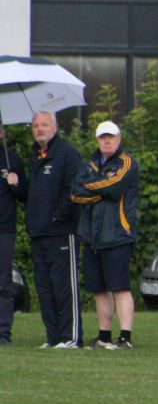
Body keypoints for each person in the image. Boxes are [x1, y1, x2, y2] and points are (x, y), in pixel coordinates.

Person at [70, 121, 141, 349]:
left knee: (119, 286)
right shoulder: (89, 164)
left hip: (117, 234)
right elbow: (74, 194)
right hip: (92, 236)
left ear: (119, 139)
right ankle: (104, 335)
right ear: (97, 140)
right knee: (99, 289)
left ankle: (126, 337)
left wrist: (91, 186)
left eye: (110, 137)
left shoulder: (127, 163)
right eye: (102, 137)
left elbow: (115, 186)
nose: (107, 141)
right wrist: (100, 191)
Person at [26, 111, 83, 349]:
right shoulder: (36, 156)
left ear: (55, 127)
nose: (40, 129)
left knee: (63, 286)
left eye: (44, 125)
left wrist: (58, 216)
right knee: (45, 287)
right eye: (36, 125)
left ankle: (70, 337)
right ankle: (53, 337)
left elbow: (75, 188)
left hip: (61, 232)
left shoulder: (66, 153)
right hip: (38, 233)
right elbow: (32, 195)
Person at [0, 125, 29, 347]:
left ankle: (3, 333)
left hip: (4, 228)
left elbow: (24, 195)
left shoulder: (12, 160)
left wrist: (16, 184)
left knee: (3, 282)